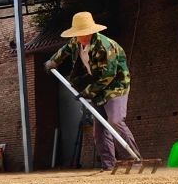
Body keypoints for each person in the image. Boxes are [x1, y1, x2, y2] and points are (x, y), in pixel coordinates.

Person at [45, 11, 140, 171]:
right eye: (79, 34)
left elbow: (108, 75)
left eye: (84, 33)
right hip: (96, 86)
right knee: (99, 130)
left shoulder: (104, 46)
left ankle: (136, 160)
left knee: (115, 121)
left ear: (91, 31)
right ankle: (109, 165)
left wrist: (87, 92)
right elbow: (65, 50)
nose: (82, 37)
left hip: (115, 86)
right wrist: (53, 61)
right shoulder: (76, 42)